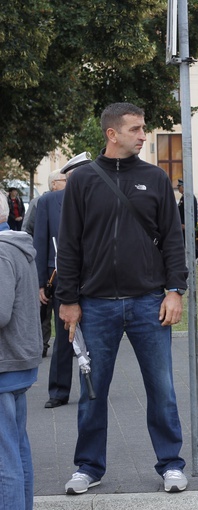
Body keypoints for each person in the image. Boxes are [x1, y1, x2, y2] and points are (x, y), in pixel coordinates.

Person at [56, 102, 189, 494]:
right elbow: (69, 246)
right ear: (112, 134)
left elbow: (172, 239)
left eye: (143, 128)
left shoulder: (156, 178)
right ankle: (88, 467)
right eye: (135, 129)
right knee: (92, 392)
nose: (143, 135)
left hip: (149, 302)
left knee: (161, 389)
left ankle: (170, 464)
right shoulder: (82, 181)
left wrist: (174, 290)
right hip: (95, 305)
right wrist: (68, 300)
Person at [35, 153, 91, 410]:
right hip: (59, 277)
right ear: (67, 178)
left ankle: (93, 385)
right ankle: (58, 391)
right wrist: (40, 283)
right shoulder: (49, 201)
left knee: (94, 335)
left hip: (93, 277)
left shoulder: (96, 198)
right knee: (62, 338)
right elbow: (41, 241)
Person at [0, 196, 43, 510]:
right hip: (18, 360)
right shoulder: (17, 245)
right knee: (17, 447)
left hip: (5, 361)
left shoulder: (1, 251)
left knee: (5, 459)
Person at [24, 170, 68, 358]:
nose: (66, 183)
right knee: (44, 311)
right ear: (53, 184)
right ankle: (41, 344)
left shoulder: (69, 201)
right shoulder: (40, 202)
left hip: (58, 268)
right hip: (48, 269)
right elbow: (32, 232)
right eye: (63, 180)